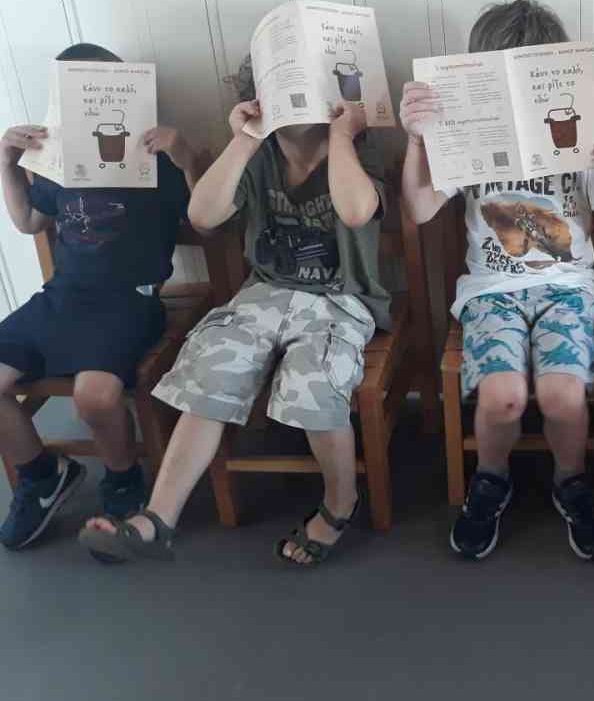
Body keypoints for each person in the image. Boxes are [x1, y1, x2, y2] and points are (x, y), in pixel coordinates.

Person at [78, 54, 390, 566]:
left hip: (340, 301)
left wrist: (340, 136)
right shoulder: (258, 156)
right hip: (262, 295)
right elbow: (203, 215)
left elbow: (356, 211)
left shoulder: (358, 153)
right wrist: (245, 138)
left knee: (315, 379)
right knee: (210, 367)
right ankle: (158, 518)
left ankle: (340, 502)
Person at [401, 0, 594, 561]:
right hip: (491, 291)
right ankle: (491, 477)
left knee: (561, 394)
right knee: (503, 396)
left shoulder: (584, 132)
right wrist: (416, 141)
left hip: (567, 287)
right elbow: (421, 209)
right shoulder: (465, 131)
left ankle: (570, 480)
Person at [0, 43, 201, 550]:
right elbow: (27, 221)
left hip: (129, 301)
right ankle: (41, 476)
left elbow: (208, 218)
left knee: (94, 394)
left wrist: (184, 155)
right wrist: (7, 162)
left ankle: (122, 477)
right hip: (62, 297)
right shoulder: (59, 162)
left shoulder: (156, 160)